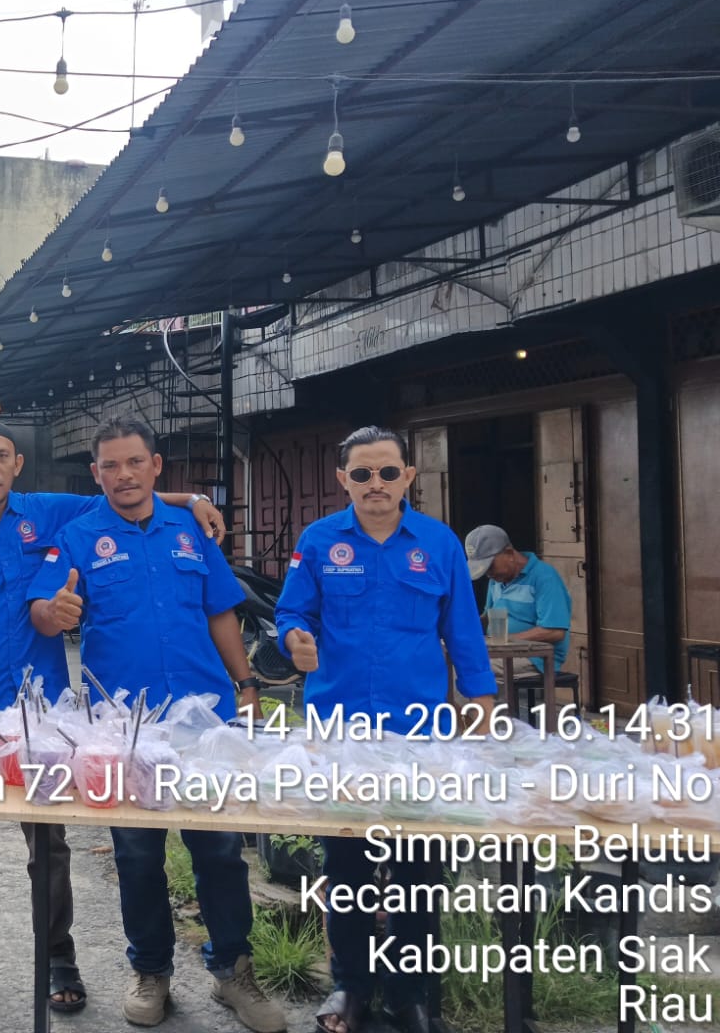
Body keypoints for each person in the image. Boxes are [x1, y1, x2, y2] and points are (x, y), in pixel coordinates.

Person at [0, 418, 224, 1013]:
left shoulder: (47, 513)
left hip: (40, 716)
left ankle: (59, 959)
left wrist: (195, 499)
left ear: (17, 465)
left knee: (48, 841)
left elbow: (124, 493)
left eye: (2, 456)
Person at [28, 415, 283, 1032]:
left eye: (134, 463)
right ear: (96, 475)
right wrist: (52, 611)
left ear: (155, 466)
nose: (123, 475)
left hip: (206, 722)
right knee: (137, 854)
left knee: (220, 852)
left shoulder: (191, 533)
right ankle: (152, 971)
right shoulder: (81, 537)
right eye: (110, 466)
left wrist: (247, 682)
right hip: (124, 730)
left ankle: (233, 973)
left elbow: (221, 610)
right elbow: (41, 610)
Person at [275, 426, 497, 1033]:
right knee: (345, 867)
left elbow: (462, 631)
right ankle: (349, 987)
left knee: (419, 871)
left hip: (419, 734)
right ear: (342, 478)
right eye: (363, 474)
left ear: (409, 477)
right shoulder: (319, 542)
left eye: (388, 473)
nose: (377, 485)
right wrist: (292, 637)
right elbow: (293, 611)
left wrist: (480, 700)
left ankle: (412, 994)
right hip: (339, 731)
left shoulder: (439, 543)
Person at [464, 524, 572, 677]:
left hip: (536, 658)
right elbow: (489, 617)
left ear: (509, 553)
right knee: (449, 660)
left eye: (490, 566)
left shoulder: (544, 577)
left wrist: (505, 641)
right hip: (498, 652)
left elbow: (554, 631)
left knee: (470, 668)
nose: (488, 574)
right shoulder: (496, 580)